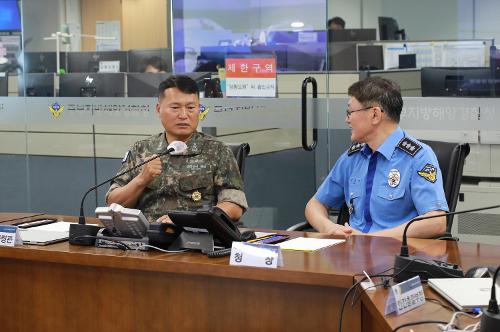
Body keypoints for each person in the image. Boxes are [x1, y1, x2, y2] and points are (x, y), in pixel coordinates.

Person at [305, 77, 448, 238]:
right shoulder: (352, 157)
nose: (347, 120)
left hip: (395, 256)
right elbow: (314, 205)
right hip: (352, 253)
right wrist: (329, 227)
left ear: (375, 115)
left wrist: (372, 239)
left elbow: (436, 222)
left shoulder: (418, 157)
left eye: (350, 112)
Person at [106, 75, 247, 223]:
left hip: (195, 237)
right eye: (175, 108)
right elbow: (113, 205)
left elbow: (234, 206)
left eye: (191, 108)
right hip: (148, 237)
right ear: (158, 109)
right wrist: (141, 180)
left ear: (199, 109)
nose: (183, 115)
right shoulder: (141, 149)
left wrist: (187, 220)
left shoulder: (218, 151)